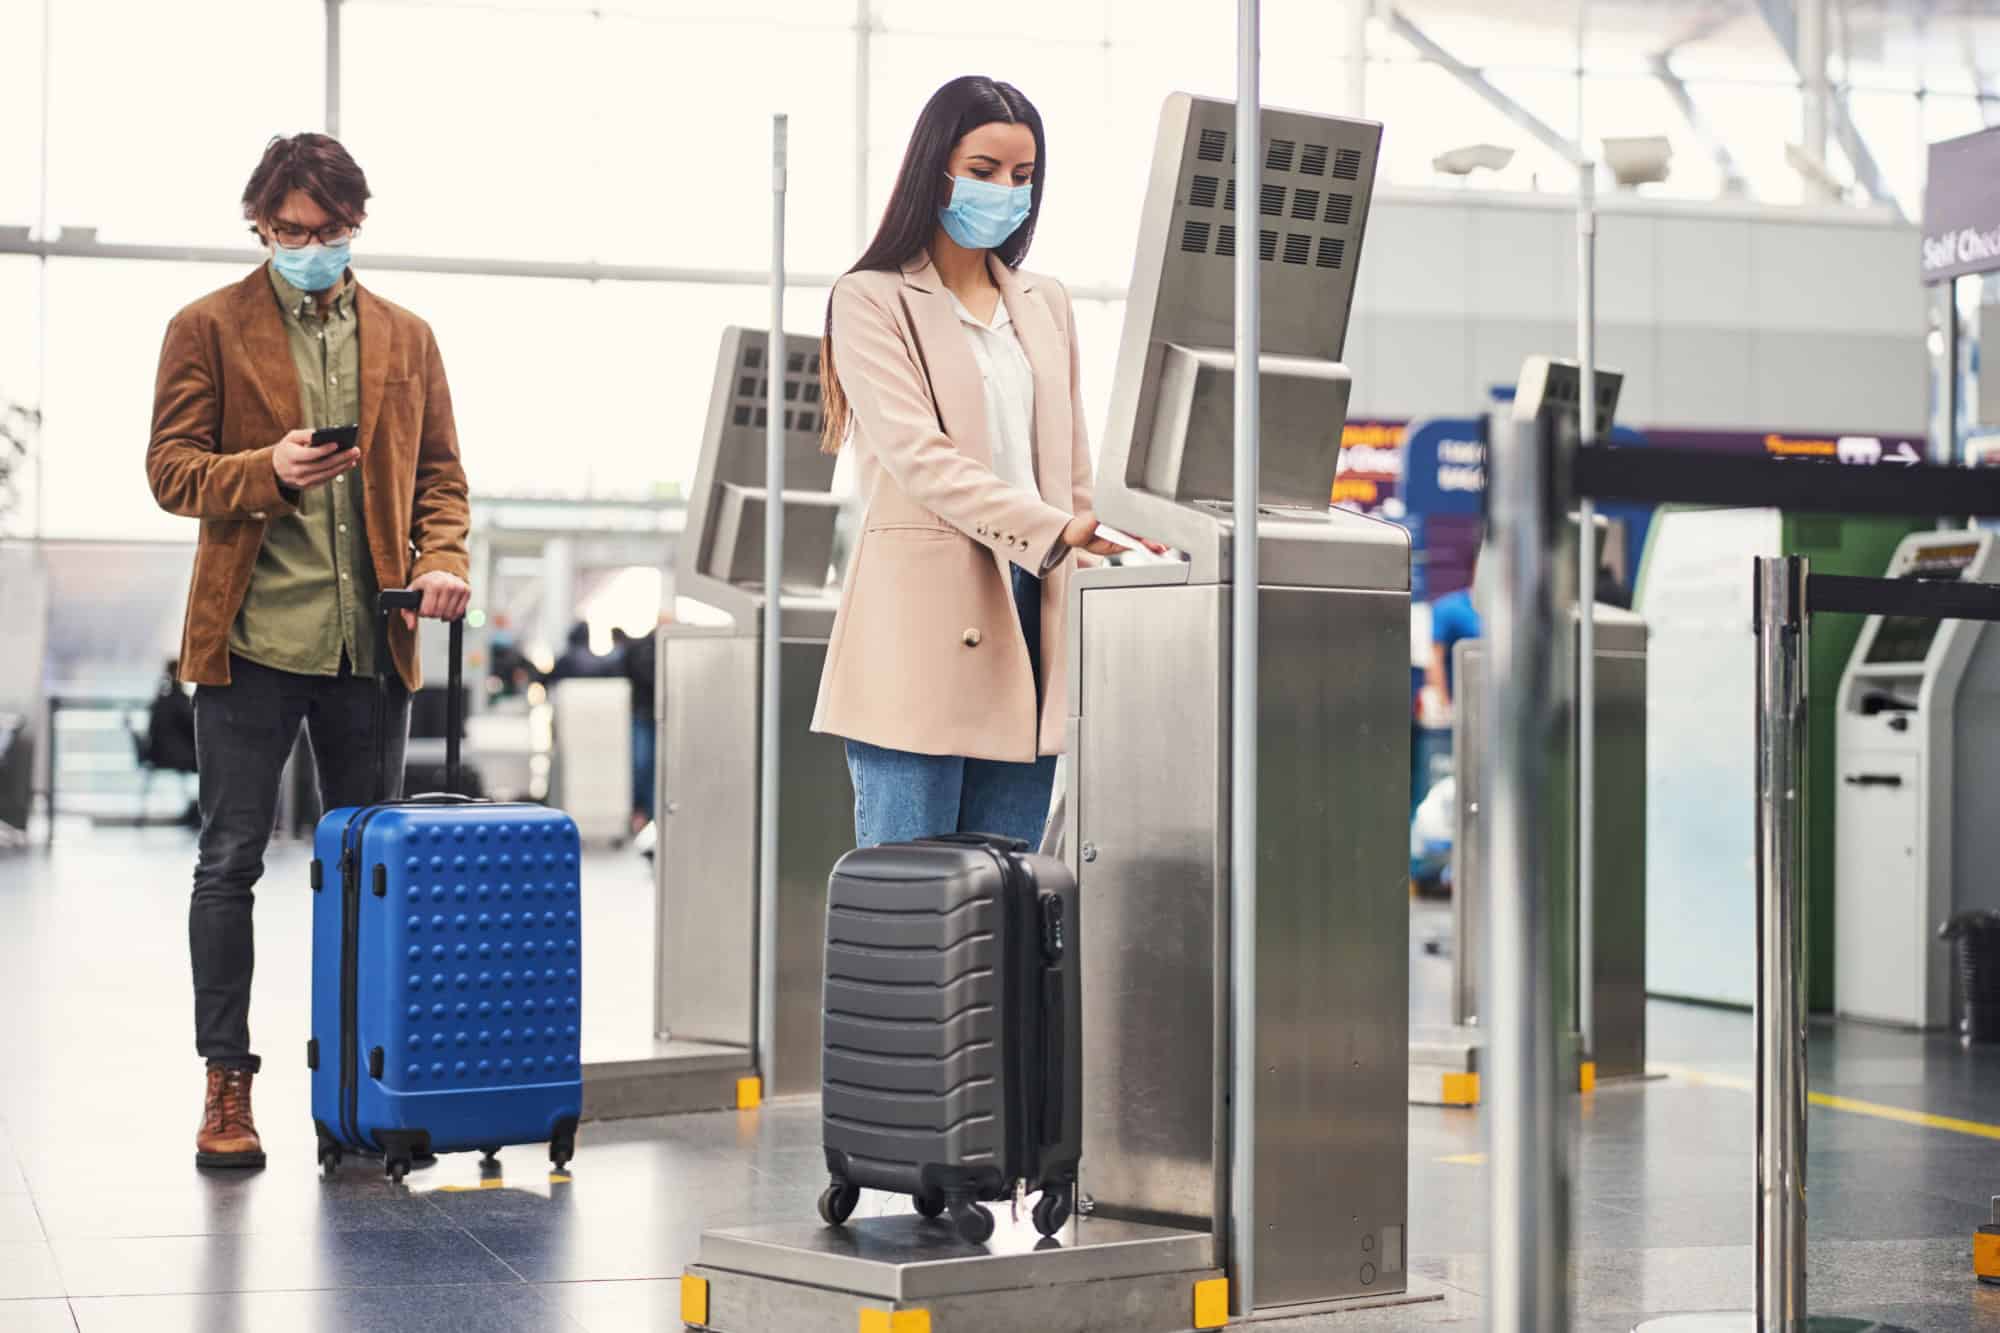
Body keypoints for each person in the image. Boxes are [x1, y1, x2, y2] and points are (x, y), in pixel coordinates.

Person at [147, 133, 470, 1170]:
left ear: (355, 227)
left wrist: (443, 555)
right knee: (231, 859)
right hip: (249, 642)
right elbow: (172, 471)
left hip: (368, 641)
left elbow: (442, 476)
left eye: (327, 233)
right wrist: (268, 469)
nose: (309, 247)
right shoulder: (206, 327)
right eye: (290, 233)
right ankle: (226, 1082)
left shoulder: (407, 338)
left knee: (368, 869)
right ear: (259, 227)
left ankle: (357, 1091)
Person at [809, 75, 1158, 850]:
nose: (1005, 191)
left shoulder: (1045, 302)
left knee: (1002, 903)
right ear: (934, 168)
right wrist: (1060, 528)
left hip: (1034, 617)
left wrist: (1106, 539)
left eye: (1023, 177)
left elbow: (1069, 466)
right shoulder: (871, 299)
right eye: (985, 170)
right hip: (920, 628)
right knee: (907, 901)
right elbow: (922, 461)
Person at [622, 622, 658, 834]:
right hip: (645, 714)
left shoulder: (639, 649)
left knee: (646, 765)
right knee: (644, 765)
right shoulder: (645, 651)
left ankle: (646, 813)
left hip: (646, 714)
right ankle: (644, 812)